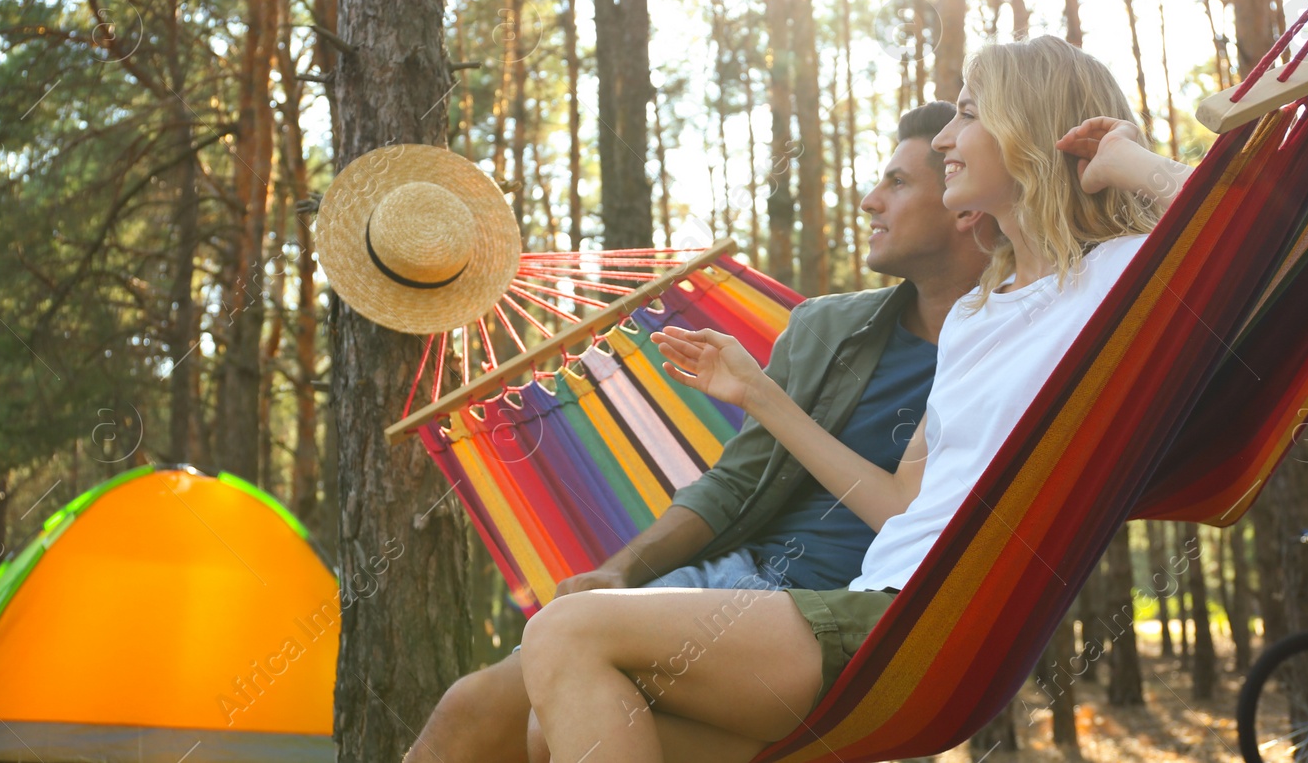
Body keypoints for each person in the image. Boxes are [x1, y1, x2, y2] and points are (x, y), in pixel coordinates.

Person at [517, 35, 1193, 763]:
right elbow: (904, 503)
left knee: (564, 631)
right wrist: (760, 394)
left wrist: (1131, 162)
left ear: (1028, 129)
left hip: (919, 627)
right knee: (553, 724)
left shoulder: (1115, 278)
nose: (945, 139)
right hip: (878, 611)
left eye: (966, 115)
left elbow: (1261, 242)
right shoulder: (977, 314)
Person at [402, 102, 993, 763]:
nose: (868, 201)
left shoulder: (1011, 352)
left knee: (549, 724)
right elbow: (736, 482)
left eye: (898, 182)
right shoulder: (829, 329)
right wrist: (621, 570)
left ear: (967, 200)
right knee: (474, 710)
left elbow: (918, 516)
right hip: (731, 582)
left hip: (840, 621)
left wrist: (764, 397)